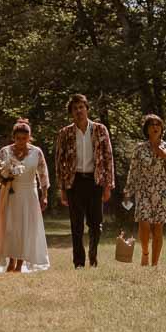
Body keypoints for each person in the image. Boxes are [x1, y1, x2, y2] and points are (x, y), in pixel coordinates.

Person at [54, 93, 115, 268]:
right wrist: (62, 188)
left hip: (95, 181)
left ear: (87, 109)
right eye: (75, 108)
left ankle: (93, 255)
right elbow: (59, 161)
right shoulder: (65, 133)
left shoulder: (100, 129)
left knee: (96, 224)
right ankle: (79, 262)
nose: (79, 111)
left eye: (81, 107)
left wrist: (108, 185)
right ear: (71, 112)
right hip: (75, 182)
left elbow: (108, 157)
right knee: (76, 225)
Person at [0, 118, 50, 273]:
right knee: (10, 227)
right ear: (13, 137)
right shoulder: (5, 152)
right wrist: (3, 177)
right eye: (18, 138)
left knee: (26, 228)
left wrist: (44, 195)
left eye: (24, 138)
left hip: (29, 194)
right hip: (10, 193)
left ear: (29, 137)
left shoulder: (37, 152)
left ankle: (20, 264)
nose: (21, 141)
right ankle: (11, 260)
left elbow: (43, 175)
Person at [124, 113, 166, 268]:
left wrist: (165, 157)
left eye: (158, 124)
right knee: (144, 224)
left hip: (163, 191)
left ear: (162, 128)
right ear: (146, 129)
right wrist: (128, 191)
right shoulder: (140, 149)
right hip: (143, 190)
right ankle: (145, 253)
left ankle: (154, 264)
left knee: (158, 228)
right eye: (151, 125)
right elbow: (133, 171)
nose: (155, 127)